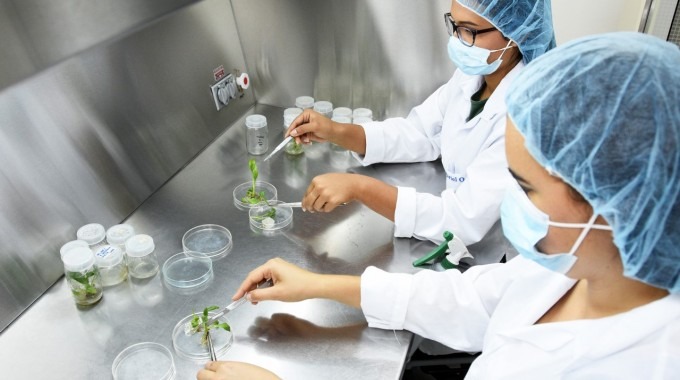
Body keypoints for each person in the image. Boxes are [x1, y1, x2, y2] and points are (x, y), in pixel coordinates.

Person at [197, 32, 680, 379]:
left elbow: (467, 228)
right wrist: (318, 286)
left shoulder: (643, 362)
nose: (508, 201)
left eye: (526, 187)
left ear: (612, 204)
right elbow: (472, 301)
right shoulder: (574, 264)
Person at [286, 0, 555, 263]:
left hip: (496, 258)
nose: (458, 40)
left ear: (518, 34)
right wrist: (336, 131)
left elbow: (462, 220)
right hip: (452, 243)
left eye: (470, 30)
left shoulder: (527, 116)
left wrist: (360, 187)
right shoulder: (473, 76)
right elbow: (421, 132)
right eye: (455, 24)